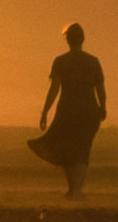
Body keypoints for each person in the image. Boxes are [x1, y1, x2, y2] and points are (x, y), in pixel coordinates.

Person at [26, 22, 105, 196]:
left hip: (68, 110)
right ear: (82, 39)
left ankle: (74, 189)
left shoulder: (61, 61)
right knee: (83, 149)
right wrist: (103, 108)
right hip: (90, 111)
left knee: (69, 149)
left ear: (67, 40)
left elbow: (54, 88)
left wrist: (45, 112)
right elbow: (100, 88)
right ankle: (76, 190)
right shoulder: (93, 62)